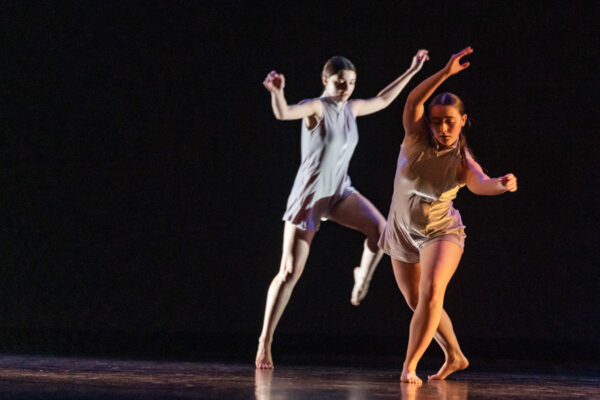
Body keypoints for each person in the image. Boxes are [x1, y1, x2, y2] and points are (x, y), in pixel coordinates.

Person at [256, 50, 430, 369]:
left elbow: (383, 99)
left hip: (339, 192)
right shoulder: (316, 108)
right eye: (339, 82)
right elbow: (283, 113)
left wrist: (412, 70)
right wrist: (278, 92)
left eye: (350, 83)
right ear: (326, 80)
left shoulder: (352, 108)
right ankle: (265, 340)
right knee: (290, 273)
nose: (346, 88)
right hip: (309, 198)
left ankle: (361, 276)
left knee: (381, 231)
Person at [378, 46, 518, 384]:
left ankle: (409, 366)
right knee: (416, 300)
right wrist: (444, 72)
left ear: (463, 121)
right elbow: (413, 103)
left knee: (431, 292)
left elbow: (479, 182)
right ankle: (455, 355)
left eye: (450, 122)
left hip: (440, 232)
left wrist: (499, 185)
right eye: (437, 121)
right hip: (400, 231)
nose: (443, 128)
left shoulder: (462, 159)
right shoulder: (414, 137)